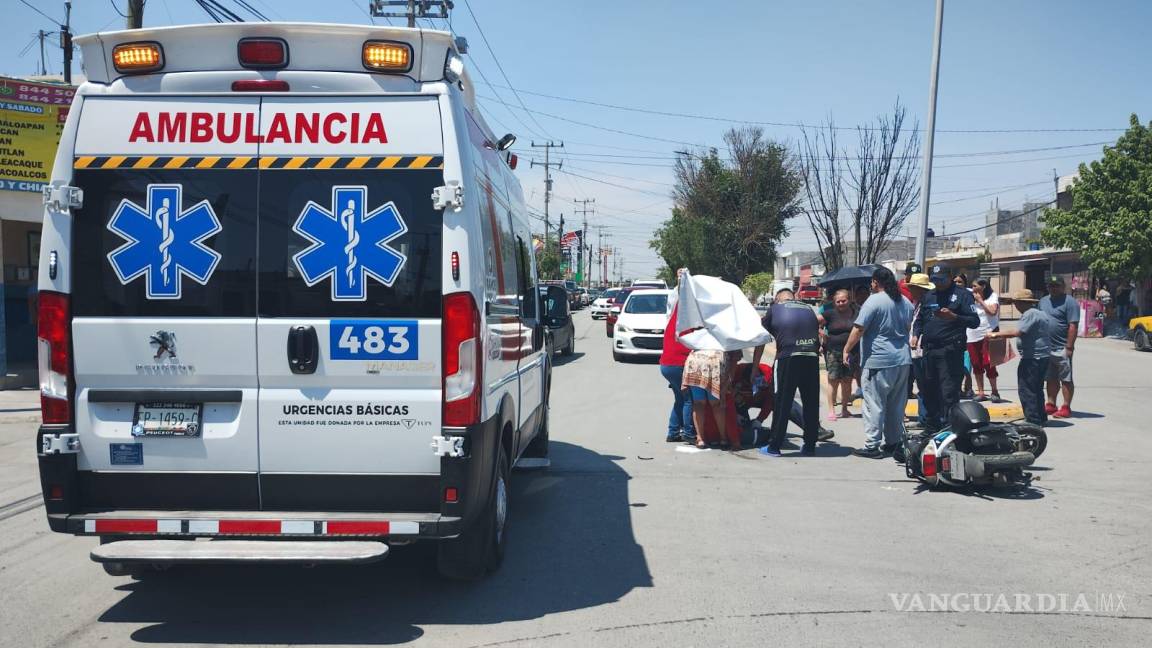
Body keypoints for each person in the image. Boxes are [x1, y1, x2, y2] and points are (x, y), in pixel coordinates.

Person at [843, 267, 913, 458]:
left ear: (875, 282)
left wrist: (847, 349)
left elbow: (858, 329)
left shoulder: (873, 301)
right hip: (902, 360)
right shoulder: (905, 301)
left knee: (874, 403)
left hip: (879, 360)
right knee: (896, 405)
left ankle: (872, 445)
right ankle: (893, 442)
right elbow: (908, 328)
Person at [752, 288, 821, 457]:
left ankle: (774, 446)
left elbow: (761, 337)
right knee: (811, 403)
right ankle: (810, 445)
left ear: (777, 299)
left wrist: (754, 367)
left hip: (788, 358)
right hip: (811, 357)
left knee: (782, 402)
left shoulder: (775, 309)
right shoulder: (808, 309)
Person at [913, 271, 980, 432]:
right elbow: (921, 319)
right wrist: (916, 334)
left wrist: (954, 317)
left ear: (949, 277)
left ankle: (949, 426)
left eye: (941, 280)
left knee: (948, 392)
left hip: (950, 350)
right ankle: (931, 426)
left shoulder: (963, 295)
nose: (938, 283)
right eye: (935, 280)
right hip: (930, 350)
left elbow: (974, 321)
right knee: (928, 390)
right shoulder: (929, 296)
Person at [988, 290, 1053, 426]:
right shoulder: (1039, 313)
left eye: (1016, 303)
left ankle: (1033, 420)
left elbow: (1017, 332)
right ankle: (1041, 417)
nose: (1015, 306)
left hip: (1032, 357)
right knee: (1037, 388)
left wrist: (995, 334)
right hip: (1042, 356)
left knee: (1027, 389)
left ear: (1023, 303)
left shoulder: (1029, 314)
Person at [1039, 276, 1079, 419]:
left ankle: (1066, 406)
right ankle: (1051, 403)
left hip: (1062, 347)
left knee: (1066, 378)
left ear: (1063, 287)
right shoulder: (1043, 301)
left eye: (1056, 285)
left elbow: (1073, 325)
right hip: (1045, 347)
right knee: (1050, 377)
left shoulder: (1070, 302)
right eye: (1050, 286)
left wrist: (1069, 346)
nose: (1053, 288)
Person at [682, 349, 737, 450]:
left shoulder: (701, 334)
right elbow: (733, 363)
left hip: (694, 361)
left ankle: (700, 439)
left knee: (698, 404)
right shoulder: (731, 340)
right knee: (716, 404)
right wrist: (725, 387)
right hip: (714, 362)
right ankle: (723, 439)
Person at [660, 303, 695, 443]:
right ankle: (688, 433)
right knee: (689, 399)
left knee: (680, 399)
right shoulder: (687, 324)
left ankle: (673, 432)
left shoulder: (675, 321)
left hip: (667, 365)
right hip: (678, 365)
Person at [821, 289, 857, 420]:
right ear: (834, 302)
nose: (841, 303)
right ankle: (831, 410)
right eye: (838, 301)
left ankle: (844, 409)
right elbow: (813, 322)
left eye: (844, 300)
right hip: (833, 351)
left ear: (849, 300)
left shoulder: (855, 313)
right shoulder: (829, 314)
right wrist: (821, 333)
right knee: (833, 381)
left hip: (851, 352)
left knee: (847, 381)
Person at [904, 273, 934, 430]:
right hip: (914, 351)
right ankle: (924, 418)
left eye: (913, 288)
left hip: (923, 351)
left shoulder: (928, 305)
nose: (911, 291)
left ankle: (927, 418)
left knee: (926, 386)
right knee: (920, 386)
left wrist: (917, 336)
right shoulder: (916, 304)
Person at [967, 278, 1003, 403]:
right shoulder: (969, 296)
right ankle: (981, 392)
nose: (972, 288)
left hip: (988, 333)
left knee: (989, 364)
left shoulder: (992, 296)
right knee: (976, 364)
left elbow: (993, 312)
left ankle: (994, 391)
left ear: (983, 286)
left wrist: (980, 301)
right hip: (972, 334)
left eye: (975, 285)